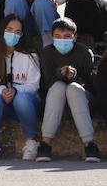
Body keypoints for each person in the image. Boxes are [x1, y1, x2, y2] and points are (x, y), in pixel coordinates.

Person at [0, 14, 41, 162]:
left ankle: (31, 140)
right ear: (1, 30)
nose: (13, 34)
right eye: (9, 29)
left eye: (17, 32)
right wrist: (2, 91)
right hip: (2, 104)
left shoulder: (29, 55)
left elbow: (34, 85)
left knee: (21, 99)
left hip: (26, 103)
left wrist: (16, 91)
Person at [38, 18, 98, 162]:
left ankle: (89, 144)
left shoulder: (84, 53)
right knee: (58, 87)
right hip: (55, 99)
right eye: (57, 37)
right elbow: (47, 83)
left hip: (82, 98)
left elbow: (90, 84)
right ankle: (45, 144)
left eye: (67, 37)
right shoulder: (47, 53)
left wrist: (73, 77)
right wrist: (60, 73)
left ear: (75, 37)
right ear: (52, 37)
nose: (62, 40)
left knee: (73, 89)